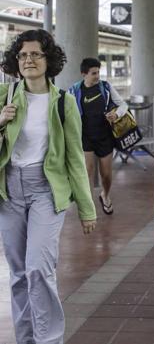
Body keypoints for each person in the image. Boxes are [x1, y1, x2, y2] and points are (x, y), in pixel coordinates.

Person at [0, 29, 97, 343]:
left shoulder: (63, 103)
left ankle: (48, 339)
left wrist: (87, 210)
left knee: (38, 268)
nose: (28, 60)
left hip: (46, 190)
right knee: (17, 274)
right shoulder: (5, 95)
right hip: (9, 190)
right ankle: (25, 339)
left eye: (35, 54)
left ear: (48, 59)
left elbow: (74, 159)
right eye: (23, 55)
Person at [68, 57, 128, 215]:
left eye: (98, 72)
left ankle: (105, 195)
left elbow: (123, 104)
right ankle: (88, 205)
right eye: (93, 73)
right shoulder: (74, 90)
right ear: (84, 74)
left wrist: (116, 114)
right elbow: (67, 112)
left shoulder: (106, 87)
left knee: (106, 174)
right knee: (87, 171)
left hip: (104, 136)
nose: (97, 76)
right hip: (85, 136)